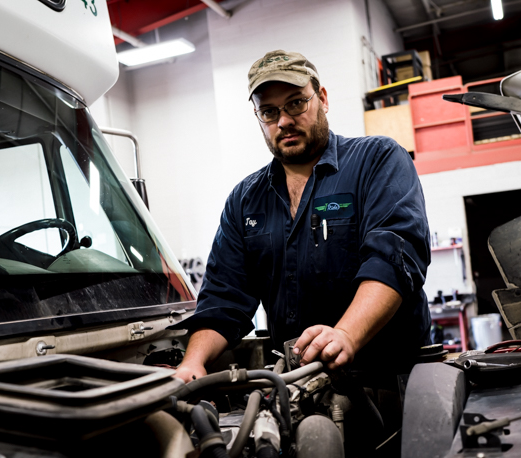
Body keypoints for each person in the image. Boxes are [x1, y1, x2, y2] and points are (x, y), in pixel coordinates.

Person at [173, 49, 431, 385]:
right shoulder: (244, 200)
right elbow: (224, 296)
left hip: (390, 384)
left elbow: (393, 260)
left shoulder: (377, 160)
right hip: (298, 389)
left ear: (322, 98)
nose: (283, 121)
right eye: (268, 112)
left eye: (296, 103)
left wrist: (346, 335)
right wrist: (192, 363)